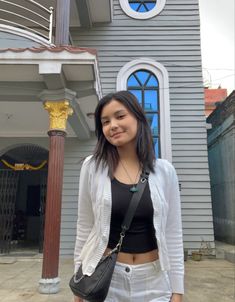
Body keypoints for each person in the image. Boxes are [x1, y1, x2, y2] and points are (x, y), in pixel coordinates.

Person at [73, 90, 184, 302]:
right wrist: (79, 281)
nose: (112, 125)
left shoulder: (164, 171)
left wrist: (177, 289)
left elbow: (173, 232)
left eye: (120, 116)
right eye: (105, 121)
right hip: (105, 280)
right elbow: (85, 227)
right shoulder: (92, 167)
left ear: (138, 118)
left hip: (155, 280)